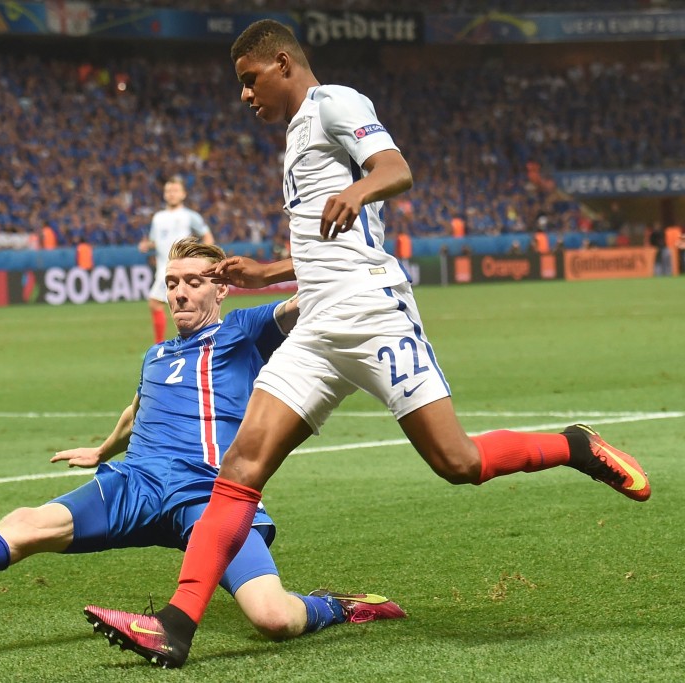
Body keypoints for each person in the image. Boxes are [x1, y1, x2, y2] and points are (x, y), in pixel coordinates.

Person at [85, 19, 651, 669]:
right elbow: (322, 244)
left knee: (456, 460)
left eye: (250, 80)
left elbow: (395, 168)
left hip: (374, 312)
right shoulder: (296, 135)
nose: (245, 95)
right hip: (319, 323)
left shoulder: (335, 103)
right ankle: (175, 623)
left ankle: (574, 445)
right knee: (239, 468)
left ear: (282, 63)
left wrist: (359, 188)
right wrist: (267, 272)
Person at [0, 238, 405, 650]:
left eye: (194, 283)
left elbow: (312, 302)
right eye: (171, 283)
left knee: (273, 618)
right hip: (134, 485)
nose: (179, 294)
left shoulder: (244, 331)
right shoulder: (156, 354)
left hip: (212, 497)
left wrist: (326, 265)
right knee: (23, 526)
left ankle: (338, 605)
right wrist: (103, 450)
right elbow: (139, 407)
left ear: (220, 288)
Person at [139, 176, 214, 343]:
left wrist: (203, 258)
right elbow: (155, 241)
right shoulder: (158, 217)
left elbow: (208, 236)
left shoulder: (190, 216)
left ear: (183, 194)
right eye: (168, 191)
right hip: (163, 268)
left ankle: (164, 344)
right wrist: (147, 245)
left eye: (175, 191)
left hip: (182, 268)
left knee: (176, 305)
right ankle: (181, 343)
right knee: (162, 304)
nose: (171, 194)